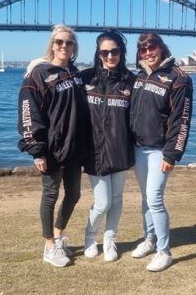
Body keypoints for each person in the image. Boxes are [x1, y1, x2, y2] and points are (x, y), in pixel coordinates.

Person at [17, 24, 88, 267]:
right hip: (52, 148)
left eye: (69, 42)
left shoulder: (75, 74)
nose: (64, 46)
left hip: (74, 149)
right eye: (59, 42)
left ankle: (58, 235)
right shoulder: (38, 74)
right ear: (52, 44)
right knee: (50, 195)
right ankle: (48, 246)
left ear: (74, 47)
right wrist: (36, 150)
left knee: (75, 194)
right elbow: (29, 113)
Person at [129, 32, 193, 272]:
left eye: (151, 47)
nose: (147, 53)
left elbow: (182, 120)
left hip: (159, 151)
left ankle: (164, 252)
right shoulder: (140, 76)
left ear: (161, 47)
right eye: (143, 50)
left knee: (155, 199)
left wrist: (172, 154)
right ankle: (149, 239)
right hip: (138, 148)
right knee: (145, 198)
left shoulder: (179, 78)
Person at [81, 29, 135, 262]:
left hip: (121, 149)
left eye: (115, 51)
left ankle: (110, 239)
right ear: (98, 53)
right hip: (94, 151)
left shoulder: (131, 81)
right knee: (102, 202)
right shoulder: (85, 78)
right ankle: (90, 237)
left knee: (117, 199)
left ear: (121, 52)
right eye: (105, 52)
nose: (110, 56)